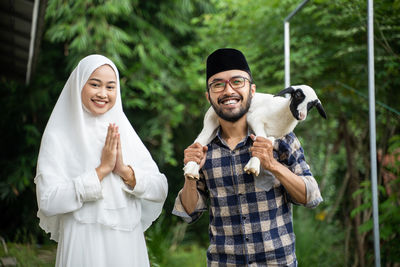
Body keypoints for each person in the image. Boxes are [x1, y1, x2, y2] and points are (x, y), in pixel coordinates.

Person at [172, 48, 323, 266]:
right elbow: (189, 212)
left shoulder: (282, 138)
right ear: (209, 96)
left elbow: (310, 197)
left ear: (252, 90)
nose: (228, 90)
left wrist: (272, 164)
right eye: (218, 84)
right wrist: (190, 174)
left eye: (237, 81)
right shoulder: (202, 149)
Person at [35, 54, 168, 267]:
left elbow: (160, 188)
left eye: (110, 87)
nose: (103, 94)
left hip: (127, 245)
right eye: (95, 84)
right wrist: (101, 171)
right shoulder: (59, 135)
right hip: (82, 243)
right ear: (79, 85)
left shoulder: (123, 131)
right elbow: (48, 201)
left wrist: (125, 171)